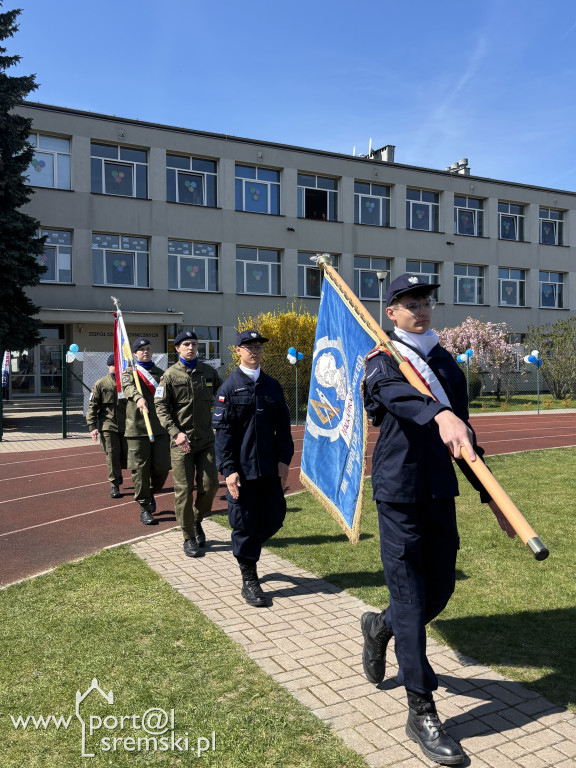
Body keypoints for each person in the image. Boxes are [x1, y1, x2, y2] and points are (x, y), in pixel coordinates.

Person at [361, 273, 513, 766]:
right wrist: (438, 413)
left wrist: (492, 498)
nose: (421, 309)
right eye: (410, 303)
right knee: (409, 602)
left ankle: (379, 626)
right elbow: (392, 395)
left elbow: (464, 440)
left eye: (425, 301)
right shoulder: (383, 358)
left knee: (440, 589)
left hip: (439, 491)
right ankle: (421, 710)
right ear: (391, 312)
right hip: (398, 494)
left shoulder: (445, 362)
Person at [212, 330, 294, 607]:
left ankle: (246, 549)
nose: (255, 350)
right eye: (249, 346)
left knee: (275, 517)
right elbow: (223, 434)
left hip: (269, 468)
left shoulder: (272, 386)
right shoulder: (229, 388)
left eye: (258, 346)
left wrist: (284, 460)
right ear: (237, 351)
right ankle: (249, 579)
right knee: (244, 524)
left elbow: (283, 427)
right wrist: (228, 469)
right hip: (242, 472)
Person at [155, 330, 222, 558]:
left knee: (211, 485)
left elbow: (223, 397)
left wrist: (219, 422)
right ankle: (188, 536)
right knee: (183, 491)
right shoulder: (169, 376)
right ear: (177, 348)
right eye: (186, 344)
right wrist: (175, 433)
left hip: (206, 440)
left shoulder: (209, 372)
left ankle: (195, 520)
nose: (191, 348)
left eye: (194, 344)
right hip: (181, 442)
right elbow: (161, 408)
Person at [122, 338, 171, 525]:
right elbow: (127, 388)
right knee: (141, 470)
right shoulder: (129, 373)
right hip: (137, 429)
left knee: (163, 467)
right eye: (141, 349)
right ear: (135, 353)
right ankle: (144, 507)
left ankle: (150, 493)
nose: (145, 352)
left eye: (148, 349)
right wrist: (138, 397)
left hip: (159, 428)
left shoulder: (161, 374)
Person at [86, 354, 128, 498]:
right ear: (108, 366)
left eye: (118, 365)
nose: (116, 367)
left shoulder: (128, 382)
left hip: (127, 425)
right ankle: (114, 484)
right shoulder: (101, 384)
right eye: (113, 365)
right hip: (108, 426)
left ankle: (119, 474)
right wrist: (92, 427)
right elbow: (92, 407)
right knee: (112, 455)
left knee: (127, 455)